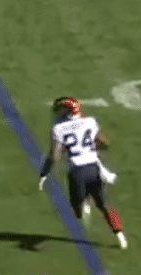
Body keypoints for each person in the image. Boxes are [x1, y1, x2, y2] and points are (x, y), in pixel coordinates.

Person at [37, 97, 128, 249]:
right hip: (93, 168)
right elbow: (103, 143)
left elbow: (54, 156)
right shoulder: (89, 121)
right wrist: (89, 147)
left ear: (66, 112)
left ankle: (85, 201)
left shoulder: (58, 128)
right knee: (103, 204)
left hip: (77, 171)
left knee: (77, 210)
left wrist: (44, 173)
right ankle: (120, 235)